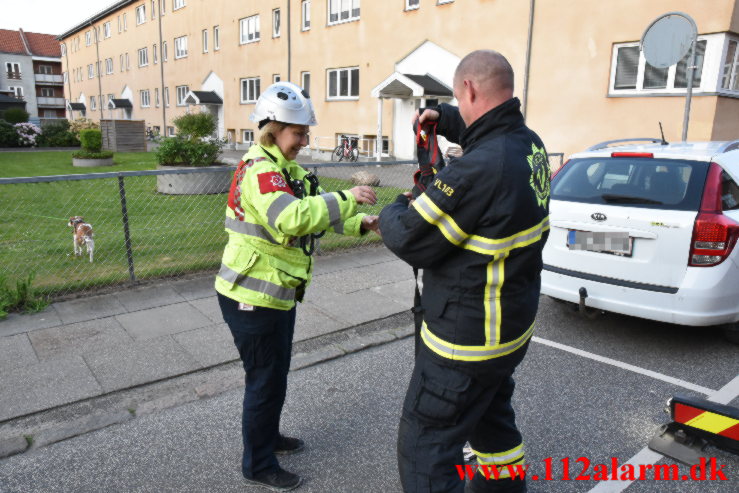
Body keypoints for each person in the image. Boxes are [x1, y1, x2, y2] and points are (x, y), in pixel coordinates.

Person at [379, 50, 551, 493]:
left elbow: (412, 237)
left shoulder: (479, 169)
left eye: (459, 97)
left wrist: (397, 204)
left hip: (465, 342)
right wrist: (447, 117)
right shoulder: (529, 144)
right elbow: (487, 130)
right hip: (507, 330)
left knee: (425, 445)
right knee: (491, 421)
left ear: (469, 89)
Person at [215, 81, 379, 491]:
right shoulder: (262, 172)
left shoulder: (287, 170)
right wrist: (350, 196)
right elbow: (292, 219)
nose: (304, 142)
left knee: (275, 376)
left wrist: (361, 222)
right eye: (298, 134)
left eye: (305, 133)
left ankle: (267, 439)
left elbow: (318, 207)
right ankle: (258, 463)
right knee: (264, 380)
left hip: (274, 292)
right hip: (251, 296)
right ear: (272, 130)